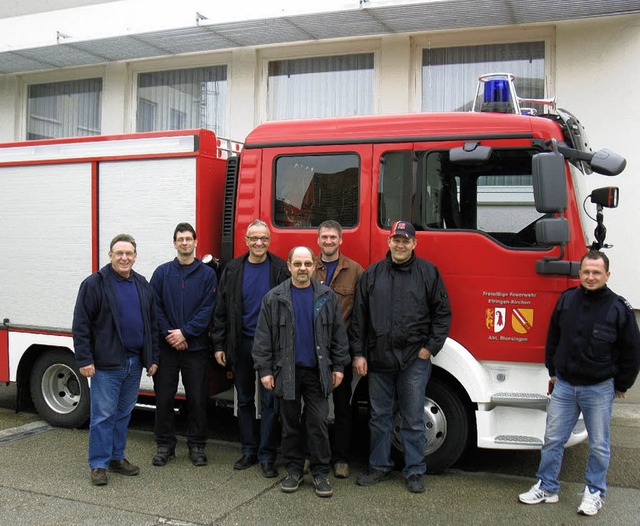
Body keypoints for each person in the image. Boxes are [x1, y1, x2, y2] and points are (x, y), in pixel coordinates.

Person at [518, 250, 640, 516]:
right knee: (552, 439)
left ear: (607, 275)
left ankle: (594, 492)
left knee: (598, 444)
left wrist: (622, 385)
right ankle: (547, 487)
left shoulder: (619, 308)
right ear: (580, 273)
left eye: (597, 272)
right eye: (586, 272)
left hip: (599, 388)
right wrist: (552, 370)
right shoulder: (567, 300)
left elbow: (631, 351)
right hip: (564, 386)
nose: (591, 277)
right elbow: (553, 336)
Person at [349, 220, 451, 494]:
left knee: (413, 419)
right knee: (379, 417)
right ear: (389, 242)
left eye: (406, 240)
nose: (400, 244)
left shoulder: (428, 273)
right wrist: (358, 353)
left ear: (414, 243)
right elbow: (359, 319)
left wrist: (429, 349)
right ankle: (379, 467)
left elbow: (442, 314)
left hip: (413, 360)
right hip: (379, 360)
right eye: (396, 239)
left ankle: (415, 471)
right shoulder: (372, 275)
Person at [252, 246, 351, 498]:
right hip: (286, 372)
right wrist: (265, 370)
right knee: (290, 424)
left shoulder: (326, 297)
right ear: (289, 266)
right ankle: (294, 470)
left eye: (307, 264)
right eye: (297, 264)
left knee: (317, 422)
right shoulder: (274, 298)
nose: (302, 269)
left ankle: (319, 473)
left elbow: (338, 336)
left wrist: (339, 366)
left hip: (317, 373)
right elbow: (263, 338)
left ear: (313, 265)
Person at [72, 233, 159, 486]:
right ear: (110, 255)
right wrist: (85, 359)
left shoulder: (142, 284)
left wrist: (151, 358)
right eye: (119, 253)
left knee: (123, 414)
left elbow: (151, 325)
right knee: (103, 415)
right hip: (106, 365)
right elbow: (81, 324)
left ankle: (116, 457)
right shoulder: (94, 284)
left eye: (129, 253)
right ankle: (98, 464)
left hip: (134, 363)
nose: (124, 257)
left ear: (135, 256)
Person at [212, 219, 289, 478]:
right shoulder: (233, 269)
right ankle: (248, 451)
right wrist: (219, 344)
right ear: (246, 241)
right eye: (254, 238)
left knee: (270, 402)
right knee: (244, 400)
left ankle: (267, 456)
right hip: (241, 343)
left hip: (272, 346)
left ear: (269, 240)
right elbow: (220, 311)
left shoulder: (280, 269)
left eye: (263, 238)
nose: (259, 243)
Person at [150, 223, 218, 467]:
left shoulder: (208, 275)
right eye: (180, 239)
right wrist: (171, 334)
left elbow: (208, 309)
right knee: (164, 398)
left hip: (196, 348)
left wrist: (186, 333)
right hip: (167, 348)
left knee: (198, 399)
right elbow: (154, 307)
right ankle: (165, 445)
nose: (185, 243)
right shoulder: (162, 273)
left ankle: (197, 445)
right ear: (174, 243)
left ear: (196, 243)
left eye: (189, 238)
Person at [312, 220, 363, 478]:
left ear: (341, 240)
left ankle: (341, 458)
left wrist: (357, 352)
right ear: (318, 240)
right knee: (313, 407)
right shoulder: (308, 268)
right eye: (325, 237)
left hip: (340, 352)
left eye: (333, 237)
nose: (329, 241)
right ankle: (315, 455)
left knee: (343, 406)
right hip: (312, 351)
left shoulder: (355, 271)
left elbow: (360, 317)